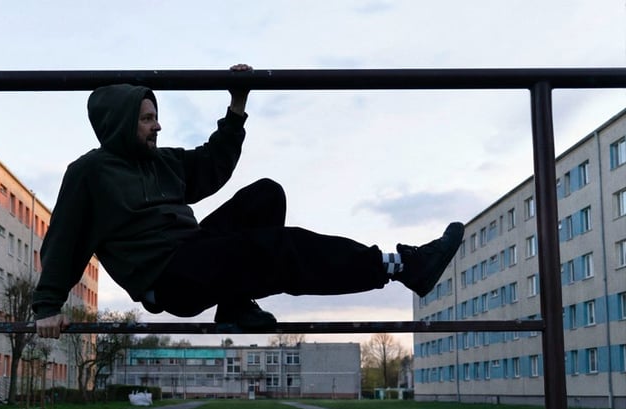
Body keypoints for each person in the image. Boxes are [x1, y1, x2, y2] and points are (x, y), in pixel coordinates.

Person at [33, 64, 464, 339]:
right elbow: (64, 241)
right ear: (122, 124)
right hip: (168, 277)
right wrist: (47, 307)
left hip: (194, 251)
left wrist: (236, 106)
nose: (158, 126)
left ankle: (234, 304)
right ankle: (401, 266)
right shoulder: (91, 173)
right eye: (147, 119)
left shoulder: (162, 163)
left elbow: (213, 164)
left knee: (266, 195)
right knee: (280, 248)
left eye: (156, 117)